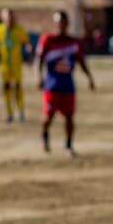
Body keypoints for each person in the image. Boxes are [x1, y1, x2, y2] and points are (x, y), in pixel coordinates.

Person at [36, 10, 95, 155]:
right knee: (48, 116)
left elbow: (81, 62)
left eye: (62, 22)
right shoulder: (48, 40)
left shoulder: (73, 42)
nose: (60, 25)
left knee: (69, 117)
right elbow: (39, 60)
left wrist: (90, 78)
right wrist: (39, 76)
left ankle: (68, 145)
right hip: (52, 85)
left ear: (67, 23)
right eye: (57, 22)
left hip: (68, 85)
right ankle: (45, 136)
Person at [0, 7, 31, 123]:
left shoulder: (20, 30)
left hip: (17, 64)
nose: (9, 19)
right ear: (2, 18)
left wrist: (29, 53)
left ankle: (21, 112)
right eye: (7, 16)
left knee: (18, 87)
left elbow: (26, 43)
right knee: (6, 87)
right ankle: (9, 113)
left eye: (11, 16)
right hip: (4, 65)